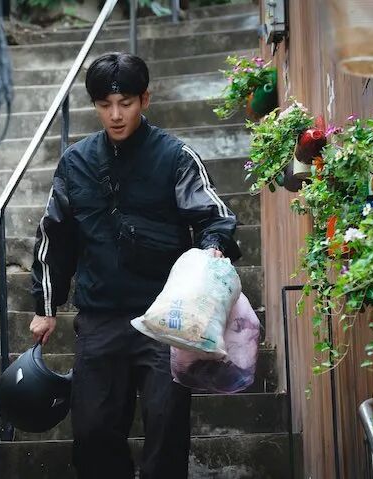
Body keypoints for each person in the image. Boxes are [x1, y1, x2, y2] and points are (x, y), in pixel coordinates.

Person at [29, 52, 240, 479]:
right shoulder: (75, 162)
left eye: (125, 103)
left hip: (167, 318)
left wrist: (214, 245)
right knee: (91, 430)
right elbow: (55, 235)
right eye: (104, 105)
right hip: (100, 318)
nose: (115, 114)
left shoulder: (176, 156)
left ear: (145, 99)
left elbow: (214, 216)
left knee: (166, 428)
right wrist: (45, 306)